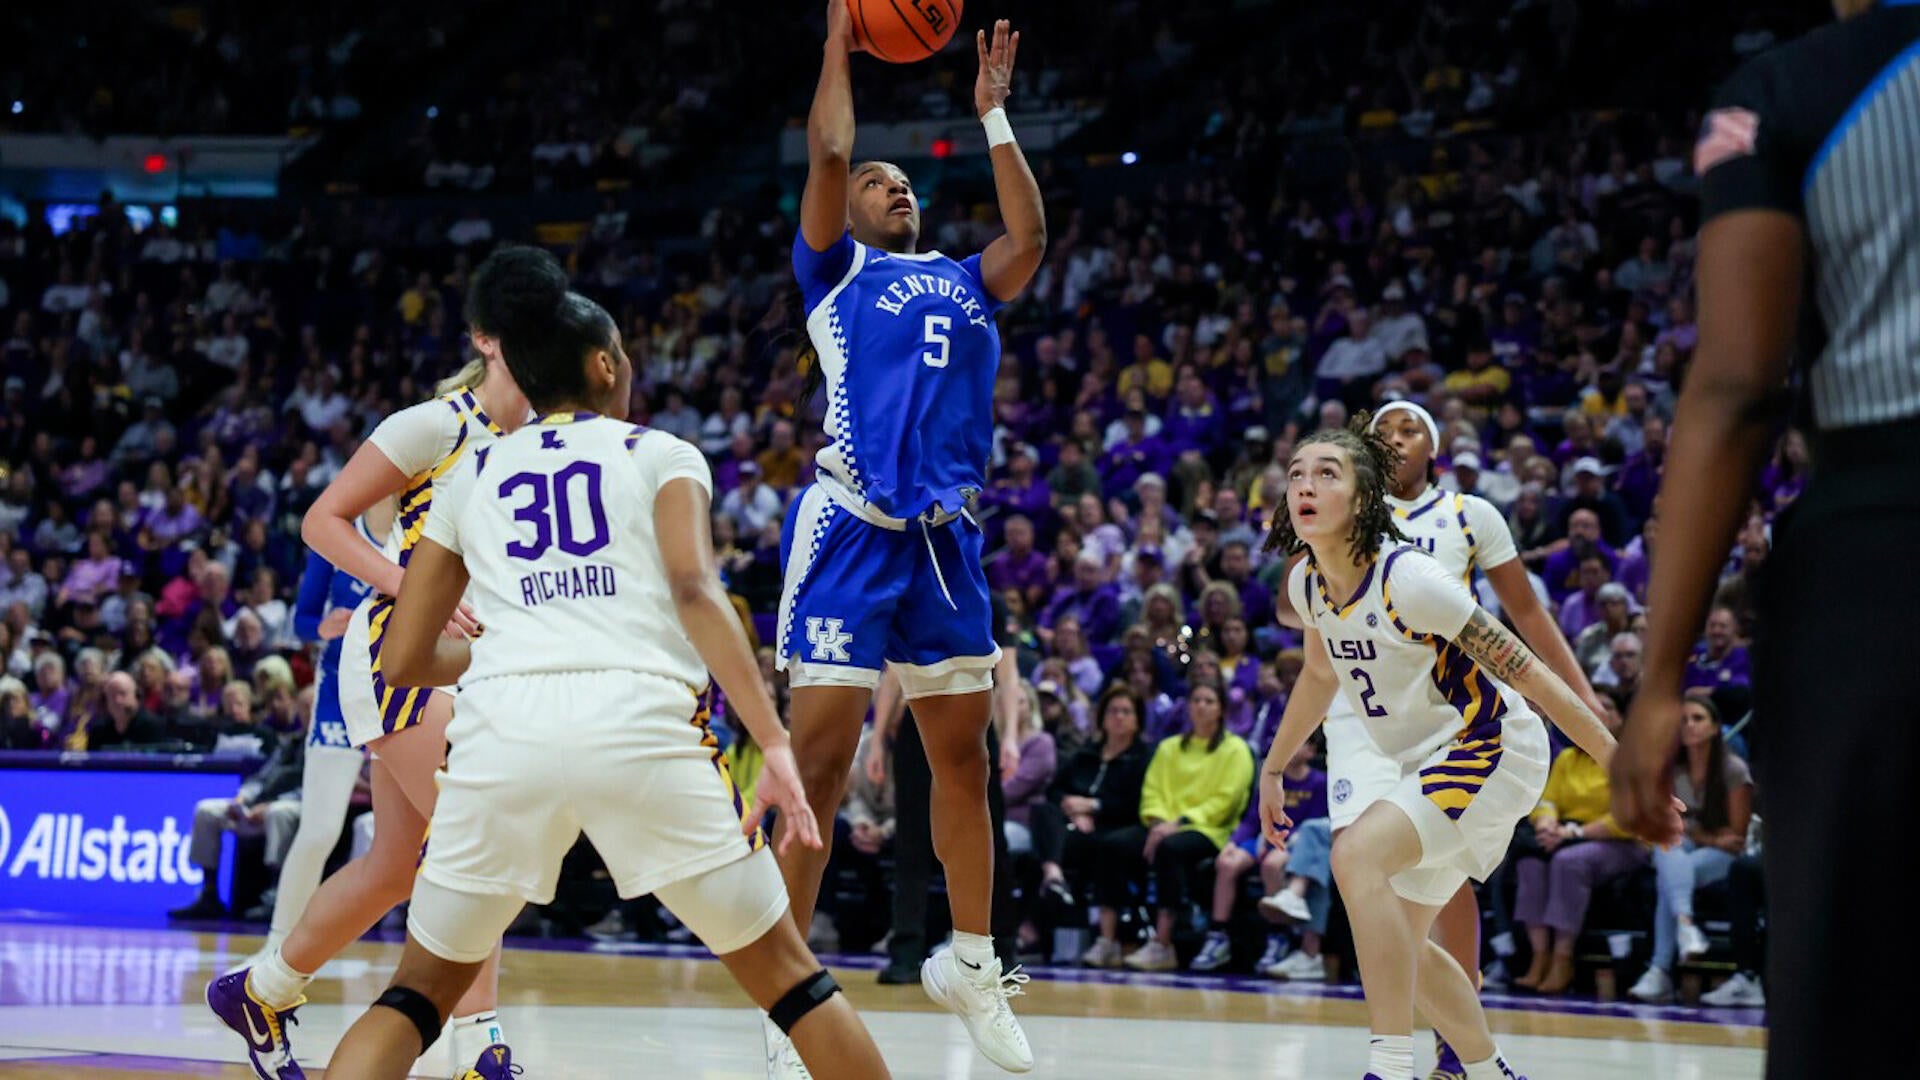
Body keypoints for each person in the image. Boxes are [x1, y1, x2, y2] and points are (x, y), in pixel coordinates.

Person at [306, 283, 890, 1080]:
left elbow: (406, 660)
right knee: (794, 983)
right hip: (640, 725)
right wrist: (774, 740)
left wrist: (515, 649)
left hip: (502, 737)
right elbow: (695, 593)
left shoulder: (469, 473)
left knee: (415, 995)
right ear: (606, 363)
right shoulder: (661, 453)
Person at [770, 7, 1045, 1075]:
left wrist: (994, 116)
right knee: (823, 769)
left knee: (961, 765)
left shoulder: (968, 279)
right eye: (881, 183)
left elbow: (1029, 241)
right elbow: (832, 146)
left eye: (905, 186)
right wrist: (840, 42)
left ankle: (970, 964)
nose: (897, 189)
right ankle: (787, 988)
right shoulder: (834, 275)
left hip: (940, 543)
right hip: (850, 527)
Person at [208, 246, 556, 1080]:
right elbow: (323, 522)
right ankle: (480, 1048)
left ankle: (262, 987)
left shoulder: (546, 439)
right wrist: (412, 584)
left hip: (476, 659)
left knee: (395, 866)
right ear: (487, 339)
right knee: (481, 828)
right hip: (397, 649)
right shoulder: (436, 424)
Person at [1257, 415, 1640, 1080]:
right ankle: (1489, 1072)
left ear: (1365, 495)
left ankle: (1390, 1066)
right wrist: (1273, 766)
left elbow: (1528, 671)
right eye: (1296, 474)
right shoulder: (1307, 584)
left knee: (1355, 855)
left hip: (1492, 746)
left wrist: (1619, 764)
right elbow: (1321, 675)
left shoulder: (1411, 579)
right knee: (1404, 938)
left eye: (1327, 472)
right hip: (1430, 759)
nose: (1305, 485)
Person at [234, 503, 388, 970]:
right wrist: (322, 627)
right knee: (320, 829)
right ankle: (277, 946)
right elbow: (302, 620)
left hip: (401, 687)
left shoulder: (424, 526)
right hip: (339, 689)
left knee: (410, 836)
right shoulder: (335, 534)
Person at [1099, 680, 1253, 972]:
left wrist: (1178, 823)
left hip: (1209, 830)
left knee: (1170, 849)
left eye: (1209, 700)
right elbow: (1152, 790)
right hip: (1160, 826)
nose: (1201, 706)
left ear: (1221, 709)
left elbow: (1226, 801)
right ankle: (1109, 940)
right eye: (1196, 700)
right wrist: (1158, 822)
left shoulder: (1236, 750)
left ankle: (1163, 943)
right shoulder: (1169, 747)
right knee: (1112, 845)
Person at [1510, 690, 1646, 996]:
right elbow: (1546, 799)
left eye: (1606, 707)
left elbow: (1627, 819)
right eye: (1588, 707)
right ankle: (1538, 956)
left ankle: (1563, 958)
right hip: (1566, 835)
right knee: (1530, 861)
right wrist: (1547, 824)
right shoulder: (1569, 758)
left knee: (1568, 862)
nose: (1595, 713)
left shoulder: (1630, 758)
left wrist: (1573, 834)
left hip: (1622, 843)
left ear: (1621, 719)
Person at [1626, 696, 1753, 1003]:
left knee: (1669, 876)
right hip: (1689, 848)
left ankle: (1660, 971)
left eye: (1697, 719)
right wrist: (1706, 834)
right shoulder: (1671, 769)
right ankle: (1685, 927)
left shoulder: (1733, 770)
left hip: (1728, 858)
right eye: (1683, 720)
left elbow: (1736, 837)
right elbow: (1664, 823)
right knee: (1668, 850)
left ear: (1715, 727)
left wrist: (1698, 834)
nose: (1689, 725)